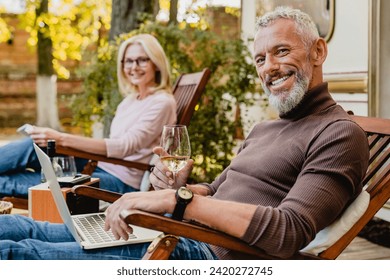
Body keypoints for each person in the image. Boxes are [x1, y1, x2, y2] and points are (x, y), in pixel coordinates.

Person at [0, 6, 369, 260]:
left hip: (199, 253)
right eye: (260, 58)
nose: (269, 68)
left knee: (19, 253)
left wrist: (177, 201)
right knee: (17, 226)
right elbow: (216, 190)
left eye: (282, 51)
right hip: (172, 230)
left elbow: (288, 231)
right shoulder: (267, 127)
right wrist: (177, 188)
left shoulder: (338, 134)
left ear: (318, 51)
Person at [0, 34, 176, 197]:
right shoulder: (130, 100)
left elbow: (124, 147)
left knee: (4, 181)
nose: (134, 67)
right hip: (97, 165)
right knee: (35, 145)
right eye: (128, 61)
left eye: (142, 60)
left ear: (155, 62)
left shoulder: (162, 102)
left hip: (119, 181)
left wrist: (60, 138)